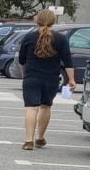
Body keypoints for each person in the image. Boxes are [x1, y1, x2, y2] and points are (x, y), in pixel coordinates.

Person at [16, 9, 75, 150]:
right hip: (51, 78)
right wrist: (71, 80)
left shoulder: (29, 37)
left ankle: (28, 141)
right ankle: (40, 138)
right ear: (54, 22)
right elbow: (68, 61)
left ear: (37, 21)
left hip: (32, 77)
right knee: (46, 106)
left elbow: (22, 60)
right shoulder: (61, 39)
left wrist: (25, 75)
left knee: (31, 108)